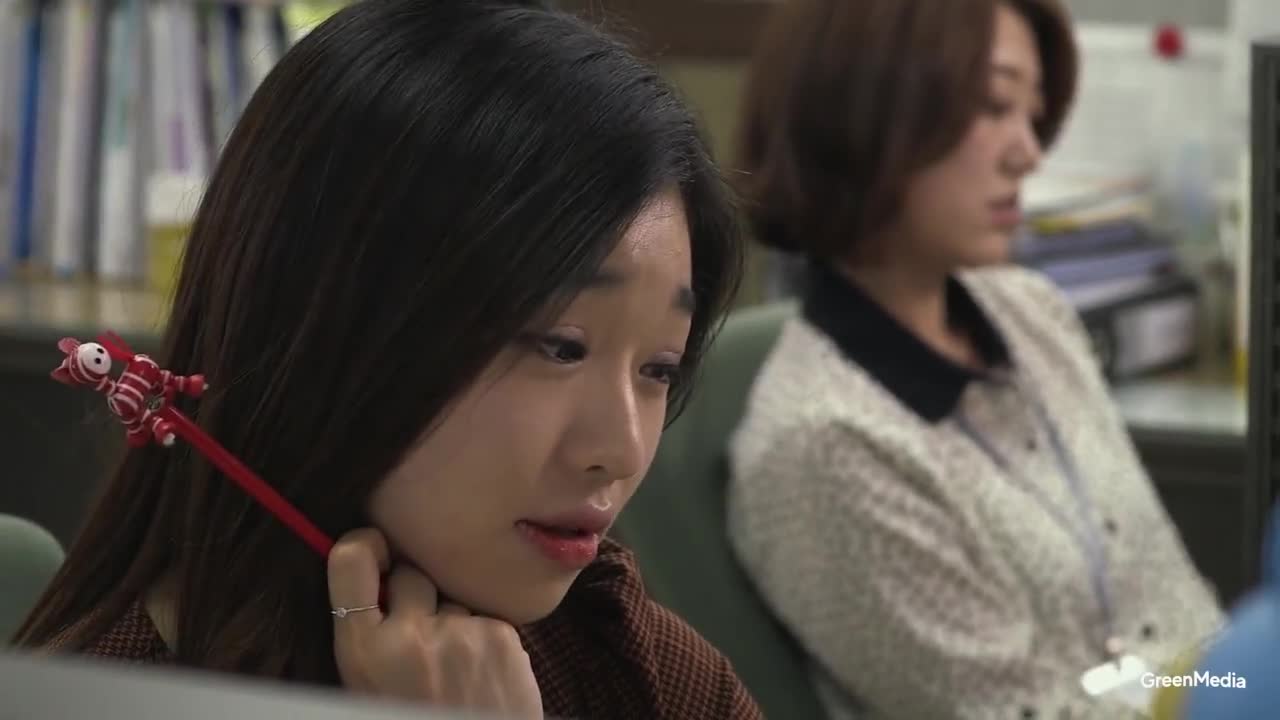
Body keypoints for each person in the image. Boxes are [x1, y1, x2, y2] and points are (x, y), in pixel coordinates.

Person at [14, 2, 761, 719]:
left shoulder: (626, 657)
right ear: (337, 325)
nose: (622, 450)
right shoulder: (103, 698)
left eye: (659, 368)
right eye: (561, 347)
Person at [725, 0, 1224, 718]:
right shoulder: (822, 445)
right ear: (865, 110)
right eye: (993, 106)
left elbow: (1176, 605)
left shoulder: (1031, 312)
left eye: (1032, 114)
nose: (1029, 153)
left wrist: (1241, 681)